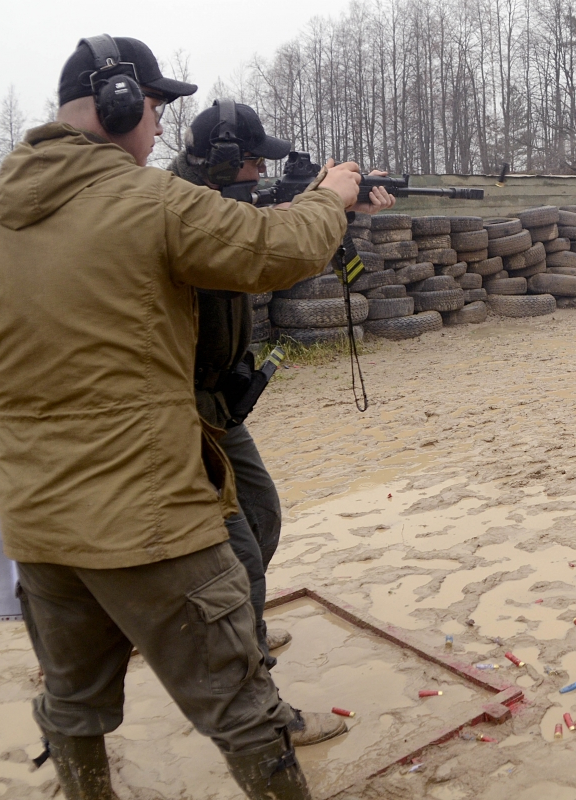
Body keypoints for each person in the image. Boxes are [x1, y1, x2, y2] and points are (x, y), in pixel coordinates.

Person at [0, 35, 390, 799]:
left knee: (72, 705)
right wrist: (332, 197)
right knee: (245, 709)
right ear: (117, 106)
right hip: (144, 515)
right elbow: (277, 249)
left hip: (34, 521)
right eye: (152, 107)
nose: (157, 124)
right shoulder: (148, 199)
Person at [168, 100, 368, 747]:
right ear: (225, 160)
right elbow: (270, 252)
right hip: (181, 413)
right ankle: (261, 708)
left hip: (220, 404)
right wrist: (325, 203)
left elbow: (263, 230)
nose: (260, 172)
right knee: (242, 558)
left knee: (262, 515)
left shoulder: (219, 204)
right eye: (255, 161)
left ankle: (244, 629)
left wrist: (331, 205)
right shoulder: (180, 211)